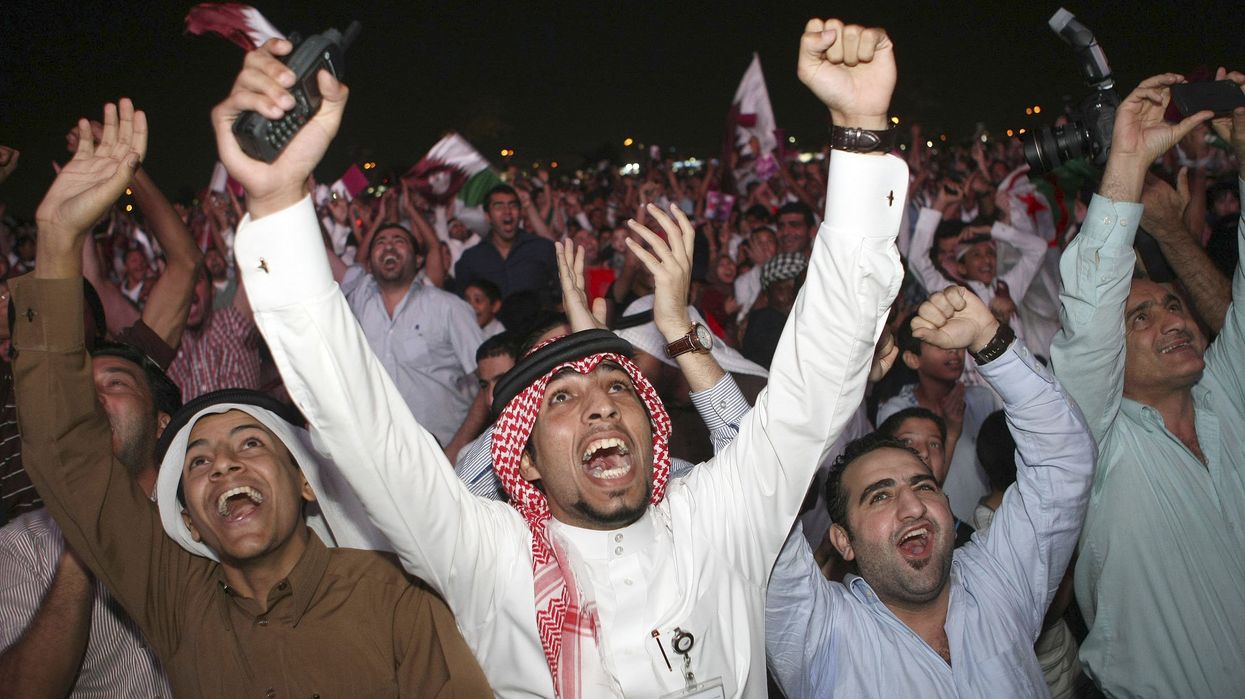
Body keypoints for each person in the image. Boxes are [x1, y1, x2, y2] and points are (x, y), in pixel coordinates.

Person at [218, 20, 906, 696]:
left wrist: (860, 136)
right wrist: (278, 202)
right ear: (521, 460)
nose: (600, 400)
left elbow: (817, 378)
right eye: (560, 397)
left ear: (652, 425)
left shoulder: (718, 518)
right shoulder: (487, 556)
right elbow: (365, 431)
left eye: (615, 383)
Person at [11, 96, 490, 697]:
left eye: (250, 442)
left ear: (306, 481)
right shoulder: (176, 602)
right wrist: (56, 239)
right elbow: (68, 458)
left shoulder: (395, 599)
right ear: (184, 515)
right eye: (199, 462)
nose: (225, 465)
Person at [766, 286, 1095, 698]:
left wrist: (987, 338)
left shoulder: (1000, 582)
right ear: (843, 541)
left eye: (923, 485)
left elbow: (1063, 459)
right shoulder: (821, 636)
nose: (912, 506)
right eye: (880, 496)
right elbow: (761, 492)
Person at [1050, 69, 1245, 697]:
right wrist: (1128, 162)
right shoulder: (1094, 446)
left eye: (1172, 304)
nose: (1173, 319)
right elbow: (1087, 317)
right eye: (1141, 316)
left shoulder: (1229, 397)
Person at [0, 342, 175, 697]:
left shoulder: (204, 521)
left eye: (116, 384)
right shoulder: (21, 546)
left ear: (161, 423)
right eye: (79, 391)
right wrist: (82, 540)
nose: (90, 399)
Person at [327, 220, 483, 446]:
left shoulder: (448, 307)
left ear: (419, 260)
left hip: (445, 452)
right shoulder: (359, 307)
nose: (389, 246)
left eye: (398, 241)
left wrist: (457, 450)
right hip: (383, 452)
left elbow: (490, 380)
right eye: (380, 242)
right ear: (369, 264)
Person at [454, 184, 558, 304]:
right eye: (499, 206)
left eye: (513, 205)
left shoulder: (542, 249)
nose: (507, 211)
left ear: (520, 213)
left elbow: (564, 295)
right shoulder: (471, 259)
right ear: (488, 216)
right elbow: (462, 309)